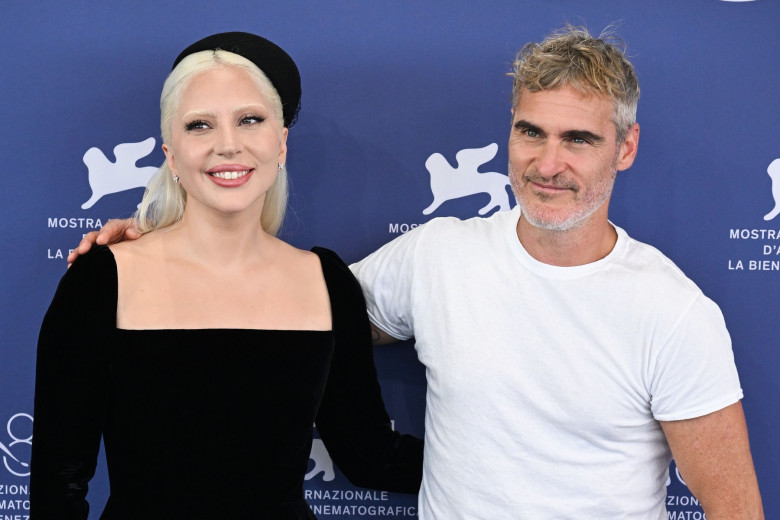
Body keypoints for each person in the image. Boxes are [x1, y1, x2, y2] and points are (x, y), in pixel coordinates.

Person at [70, 26, 764, 519]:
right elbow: (277, 315)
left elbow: (732, 507)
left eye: (578, 138)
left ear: (626, 147)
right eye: (532, 132)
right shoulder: (437, 256)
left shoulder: (671, 312)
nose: (549, 163)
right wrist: (157, 251)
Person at [32, 32, 422, 519]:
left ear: (280, 144)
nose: (228, 145)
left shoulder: (326, 282)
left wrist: (532, 459)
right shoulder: (102, 279)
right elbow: (58, 484)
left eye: (250, 120)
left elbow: (372, 459)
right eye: (200, 125)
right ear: (171, 153)